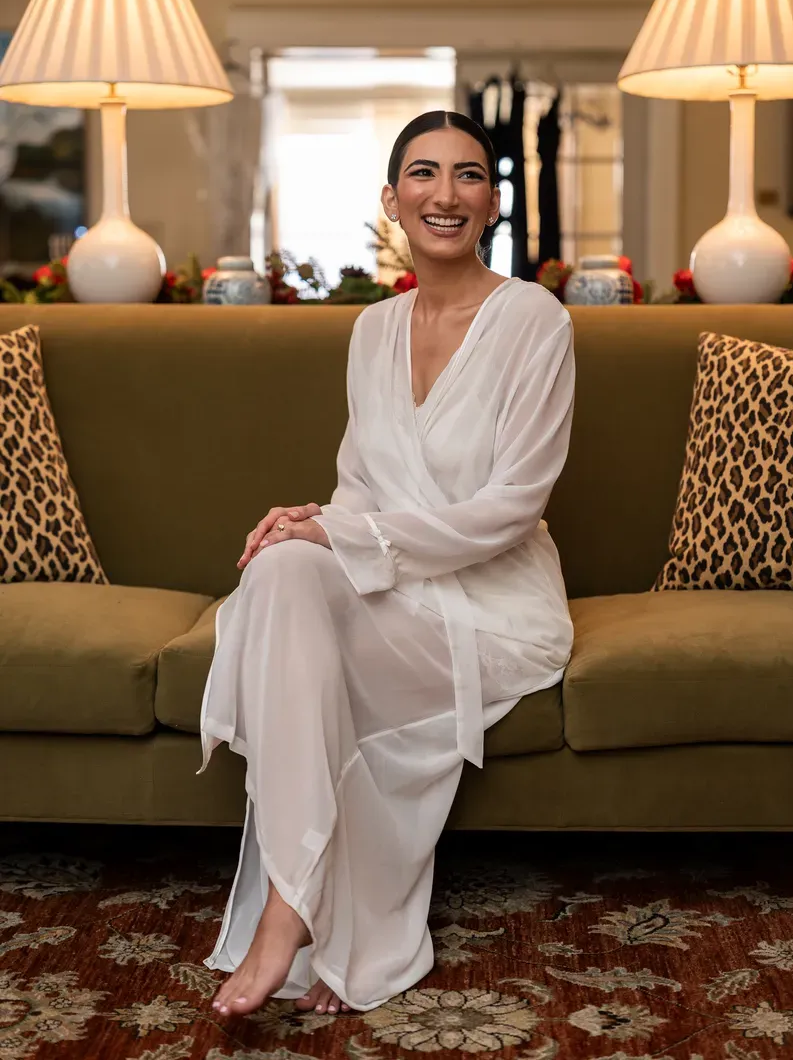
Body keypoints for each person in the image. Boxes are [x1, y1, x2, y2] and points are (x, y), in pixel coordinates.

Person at [199, 109, 576, 1019]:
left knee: (306, 603)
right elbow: (365, 492)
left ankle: (297, 914)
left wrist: (349, 537)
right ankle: (304, 903)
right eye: (422, 173)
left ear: (492, 200)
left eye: (468, 175)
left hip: (495, 606)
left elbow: (512, 507)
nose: (444, 194)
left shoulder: (535, 319)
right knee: (283, 572)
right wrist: (314, 520)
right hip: (399, 586)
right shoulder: (372, 329)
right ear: (391, 198)